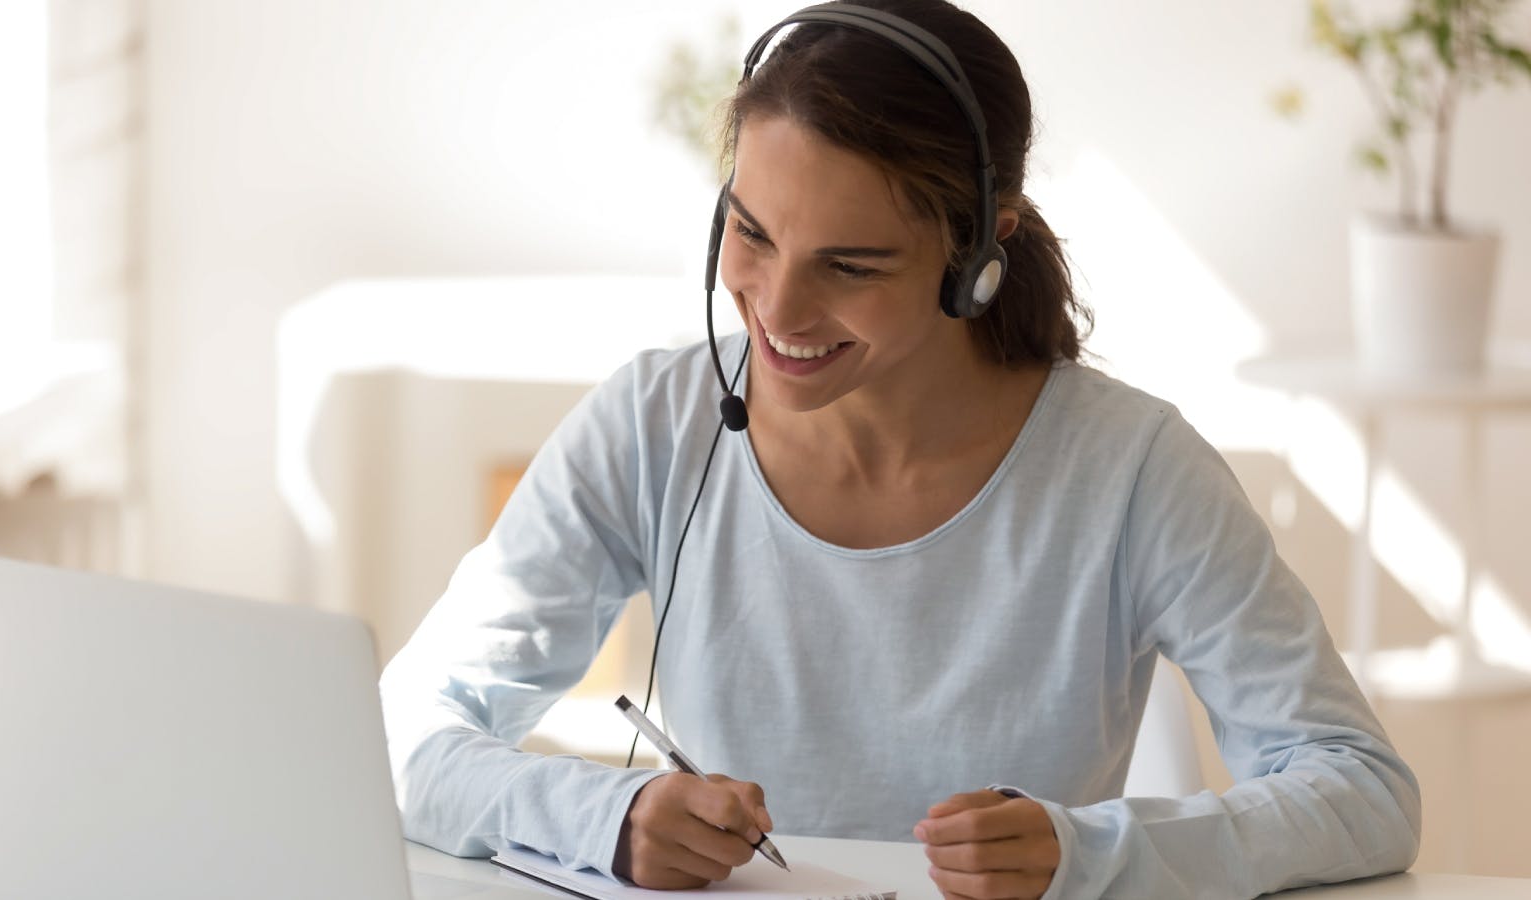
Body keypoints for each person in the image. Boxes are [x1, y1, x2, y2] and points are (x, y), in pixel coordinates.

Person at [378, 1, 1422, 897]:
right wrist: (606, 814)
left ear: (976, 254)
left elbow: (1359, 786)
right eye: (749, 233)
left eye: (849, 264)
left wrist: (1091, 852)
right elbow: (403, 736)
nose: (775, 308)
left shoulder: (1132, 468)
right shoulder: (653, 423)